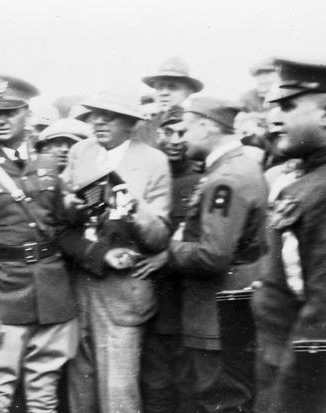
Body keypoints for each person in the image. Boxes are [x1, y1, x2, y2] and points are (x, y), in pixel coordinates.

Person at [0, 74, 78, 412]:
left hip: (52, 298)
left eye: (10, 112)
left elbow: (60, 229)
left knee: (45, 397)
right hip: (1, 298)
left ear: (27, 115)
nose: (1, 121)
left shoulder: (49, 166)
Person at [133, 97, 269, 412]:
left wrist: (173, 248)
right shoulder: (236, 167)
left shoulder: (225, 178)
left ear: (206, 127)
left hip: (216, 314)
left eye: (187, 128)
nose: (183, 137)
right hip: (228, 308)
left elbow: (212, 256)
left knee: (220, 399)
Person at [60, 90, 172, 413]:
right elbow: (60, 211)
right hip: (79, 283)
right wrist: (70, 204)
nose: (98, 121)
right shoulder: (81, 152)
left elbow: (159, 237)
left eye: (108, 116)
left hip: (123, 291)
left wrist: (132, 206)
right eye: (94, 114)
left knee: (119, 395)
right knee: (80, 390)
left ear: (130, 123)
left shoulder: (154, 161)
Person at [252, 58, 326, 413]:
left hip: (303, 381)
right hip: (281, 361)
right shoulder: (304, 183)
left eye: (288, 106)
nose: (274, 118)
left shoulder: (321, 191)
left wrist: (288, 400)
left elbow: (322, 313)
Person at [140, 106, 202, 413]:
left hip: (188, 296)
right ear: (156, 133)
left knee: (188, 381)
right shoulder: (143, 176)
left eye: (183, 133)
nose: (176, 140)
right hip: (149, 295)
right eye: (168, 132)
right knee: (155, 383)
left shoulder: (200, 181)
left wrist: (167, 256)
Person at [138, 56, 204, 146]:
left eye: (172, 87)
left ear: (188, 92)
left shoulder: (194, 125)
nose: (164, 93)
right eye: (160, 87)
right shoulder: (142, 119)